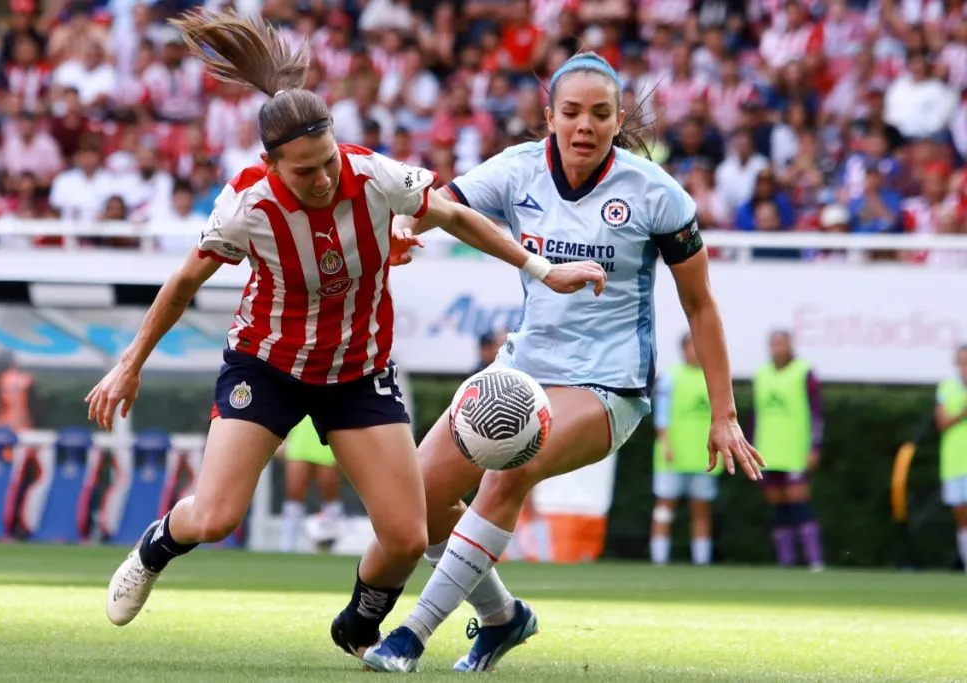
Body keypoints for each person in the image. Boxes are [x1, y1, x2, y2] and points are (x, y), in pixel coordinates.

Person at [86, 11, 607, 629]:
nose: (323, 178)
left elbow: (457, 216)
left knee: (408, 535)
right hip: (268, 364)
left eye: (328, 160)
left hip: (358, 372)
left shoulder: (372, 175)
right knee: (218, 517)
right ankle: (156, 547)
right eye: (304, 171)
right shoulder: (245, 207)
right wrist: (129, 364)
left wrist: (541, 269)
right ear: (271, 163)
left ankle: (358, 624)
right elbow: (181, 285)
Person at [333, 51, 765, 673]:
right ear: (550, 117)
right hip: (522, 368)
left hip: (608, 386)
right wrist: (406, 226)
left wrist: (724, 413)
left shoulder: (656, 194)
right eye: (571, 113)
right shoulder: (519, 170)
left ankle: (412, 636)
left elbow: (701, 306)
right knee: (417, 500)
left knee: (509, 466)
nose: (584, 125)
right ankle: (506, 618)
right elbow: (443, 202)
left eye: (599, 114)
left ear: (618, 120)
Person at [753, 330, 825, 571]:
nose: (778, 348)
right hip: (768, 451)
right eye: (773, 344)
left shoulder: (804, 372)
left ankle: (814, 559)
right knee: (778, 506)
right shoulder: (761, 374)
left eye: (782, 344)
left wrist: (814, 446)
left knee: (799, 502)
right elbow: (756, 415)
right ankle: (786, 561)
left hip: (795, 450)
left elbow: (816, 414)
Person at [650, 333, 718, 566]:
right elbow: (661, 416)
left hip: (702, 455)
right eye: (692, 346)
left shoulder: (713, 378)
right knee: (665, 507)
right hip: (673, 456)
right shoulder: (671, 377)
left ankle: (701, 561)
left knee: (701, 509)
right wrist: (667, 445)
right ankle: (659, 558)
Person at [278, 415, 344, 553]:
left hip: (328, 426)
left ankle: (331, 542)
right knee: (294, 489)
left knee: (328, 485)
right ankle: (287, 545)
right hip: (301, 430)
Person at [936, 344, 967, 573]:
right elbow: (942, 423)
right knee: (961, 516)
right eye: (962, 362)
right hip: (955, 462)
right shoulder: (947, 388)